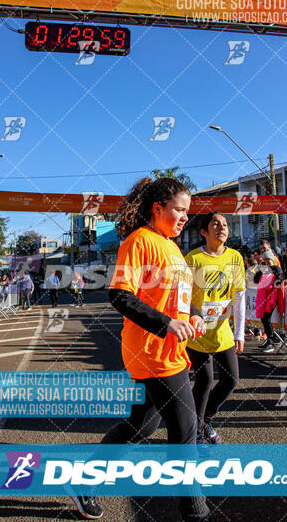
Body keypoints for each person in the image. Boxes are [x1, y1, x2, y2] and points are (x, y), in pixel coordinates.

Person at [72, 177, 210, 522]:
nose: (184, 218)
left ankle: (84, 482)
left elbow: (178, 298)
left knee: (141, 427)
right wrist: (165, 324)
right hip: (151, 351)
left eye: (187, 212)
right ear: (158, 208)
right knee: (185, 432)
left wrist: (193, 317)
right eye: (179, 210)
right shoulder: (139, 241)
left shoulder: (172, 247)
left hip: (170, 350)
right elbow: (120, 294)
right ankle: (196, 514)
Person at [185, 212, 246, 444]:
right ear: (204, 232)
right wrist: (194, 316)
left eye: (224, 224)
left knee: (231, 380)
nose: (221, 227)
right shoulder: (193, 258)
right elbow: (183, 296)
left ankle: (205, 420)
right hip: (198, 335)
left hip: (223, 334)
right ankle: (197, 432)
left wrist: (239, 333)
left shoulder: (235, 258)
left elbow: (239, 297)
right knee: (205, 381)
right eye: (215, 224)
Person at [254, 250, 285, 353]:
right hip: (264, 298)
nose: (266, 261)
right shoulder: (264, 268)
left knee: (266, 318)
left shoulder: (276, 268)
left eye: (268, 259)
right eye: (265, 259)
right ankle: (272, 339)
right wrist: (260, 271)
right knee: (264, 319)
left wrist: (272, 285)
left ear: (272, 259)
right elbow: (256, 279)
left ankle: (272, 341)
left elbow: (280, 279)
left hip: (272, 297)